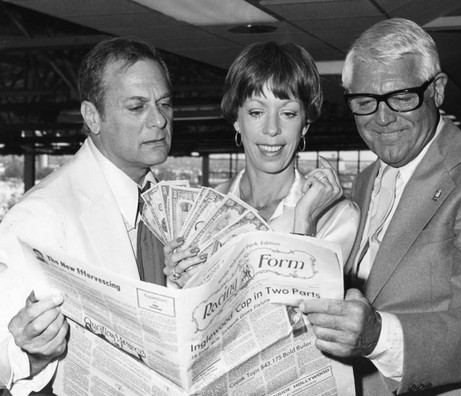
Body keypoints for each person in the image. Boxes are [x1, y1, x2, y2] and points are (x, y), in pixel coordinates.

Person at [299, 18, 461, 395]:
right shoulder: (363, 182)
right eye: (364, 102)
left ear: (437, 91)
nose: (383, 117)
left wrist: (378, 336)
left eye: (402, 97)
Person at [0, 36, 172, 395]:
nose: (159, 120)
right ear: (93, 117)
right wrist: (30, 353)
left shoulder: (165, 203)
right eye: (137, 107)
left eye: (165, 104)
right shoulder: (42, 214)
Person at [164, 41, 359, 287]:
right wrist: (177, 278)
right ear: (237, 119)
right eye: (256, 112)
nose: (272, 129)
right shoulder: (204, 210)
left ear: (305, 124)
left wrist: (304, 223)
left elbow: (304, 315)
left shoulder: (337, 216)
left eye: (288, 113)